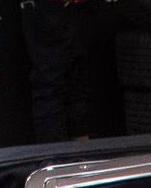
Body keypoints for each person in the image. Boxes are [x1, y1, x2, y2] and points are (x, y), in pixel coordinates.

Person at [20, 0, 99, 142]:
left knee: (75, 84)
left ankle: (80, 153)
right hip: (51, 11)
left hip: (71, 11)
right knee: (52, 86)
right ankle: (58, 155)